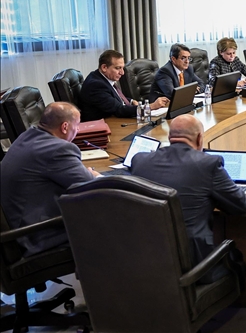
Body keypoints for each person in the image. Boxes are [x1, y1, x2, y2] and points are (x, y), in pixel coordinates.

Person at [130, 114, 246, 283]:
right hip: (194, 266)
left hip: (146, 261)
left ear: (170, 137)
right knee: (235, 258)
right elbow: (240, 205)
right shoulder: (208, 164)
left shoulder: (140, 161)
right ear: (200, 138)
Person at [0, 102, 99, 256]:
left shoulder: (27, 136)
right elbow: (92, 186)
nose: (78, 130)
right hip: (35, 236)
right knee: (112, 218)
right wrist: (94, 175)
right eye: (77, 125)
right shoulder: (58, 149)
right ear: (65, 127)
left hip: (16, 229)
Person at [79, 49, 169, 121]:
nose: (122, 73)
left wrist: (131, 101)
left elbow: (113, 98)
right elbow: (119, 110)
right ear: (104, 67)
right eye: (118, 68)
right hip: (103, 128)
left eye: (122, 68)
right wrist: (151, 106)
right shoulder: (96, 85)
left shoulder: (102, 78)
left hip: (114, 120)